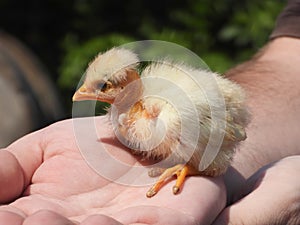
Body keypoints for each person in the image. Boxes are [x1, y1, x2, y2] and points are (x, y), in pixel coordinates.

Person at [1, 1, 300, 224]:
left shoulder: (167, 117)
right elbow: (291, 65)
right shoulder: (135, 113)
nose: (83, 95)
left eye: (103, 87)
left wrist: (198, 164)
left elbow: (231, 125)